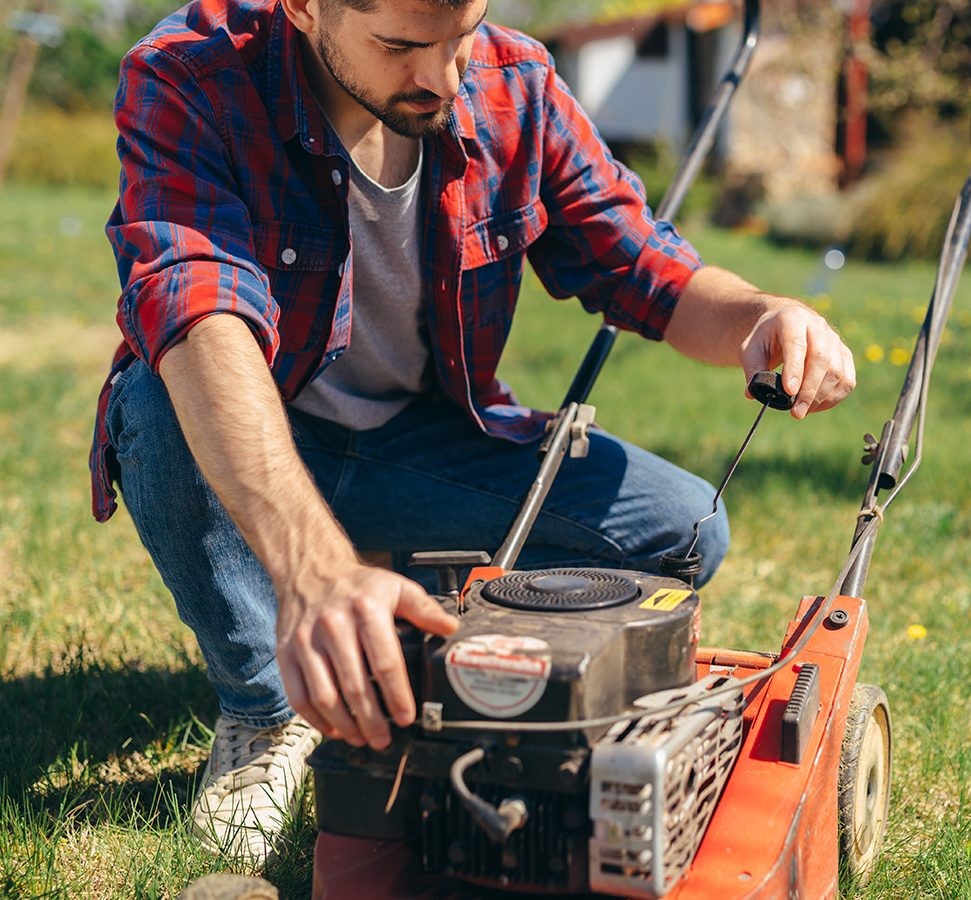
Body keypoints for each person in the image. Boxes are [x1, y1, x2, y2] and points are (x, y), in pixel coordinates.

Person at [91, 0, 856, 866]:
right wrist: (315, 574)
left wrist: (761, 315)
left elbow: (642, 263)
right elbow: (199, 312)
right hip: (253, 435)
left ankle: (418, 633)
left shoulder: (512, 80)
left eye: (460, 36)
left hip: (422, 442)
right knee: (156, 400)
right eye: (401, 46)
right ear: (304, 8)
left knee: (681, 530)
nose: (442, 76)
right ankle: (266, 711)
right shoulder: (192, 75)